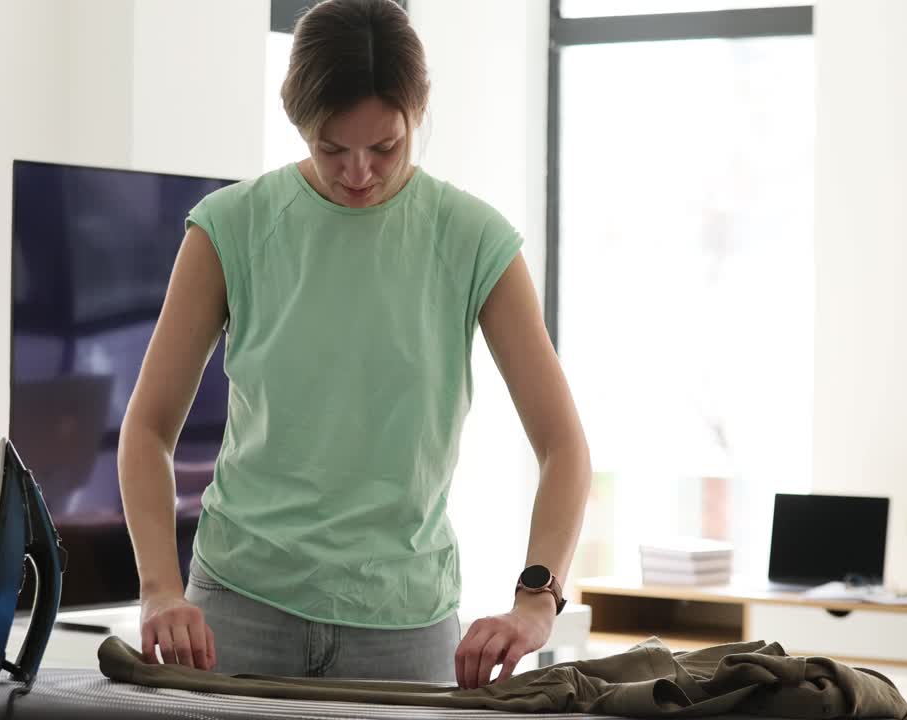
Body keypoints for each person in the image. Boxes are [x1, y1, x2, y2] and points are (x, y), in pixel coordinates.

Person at [117, 0, 590, 691]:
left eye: (386, 147)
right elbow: (148, 428)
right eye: (332, 148)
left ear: (418, 114)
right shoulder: (229, 228)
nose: (360, 172)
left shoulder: (474, 238)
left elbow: (563, 445)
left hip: (405, 633)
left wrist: (536, 601)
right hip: (238, 617)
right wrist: (159, 588)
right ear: (298, 121)